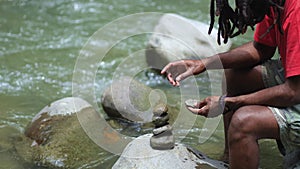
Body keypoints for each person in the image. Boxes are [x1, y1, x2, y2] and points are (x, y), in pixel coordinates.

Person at [161, 0, 300, 168]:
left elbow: (294, 91)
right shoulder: (274, 4)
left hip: (295, 88)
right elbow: (262, 48)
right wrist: (204, 63)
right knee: (234, 75)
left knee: (243, 122)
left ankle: (242, 138)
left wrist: (228, 102)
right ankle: (231, 158)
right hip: (294, 83)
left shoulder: (296, 11)